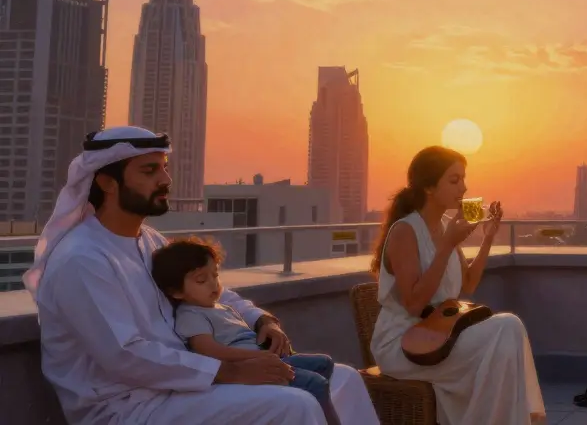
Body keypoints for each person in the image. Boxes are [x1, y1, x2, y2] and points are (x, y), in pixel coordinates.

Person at [24, 126, 378, 425]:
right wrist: (230, 372)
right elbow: (125, 357)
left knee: (341, 378)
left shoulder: (149, 241)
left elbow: (207, 289)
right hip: (127, 406)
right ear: (107, 182)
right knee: (293, 403)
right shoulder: (82, 258)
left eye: (163, 168)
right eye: (149, 172)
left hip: (185, 383)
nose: (166, 180)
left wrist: (260, 320)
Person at [369, 145, 546, 425]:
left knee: (508, 328)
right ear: (429, 186)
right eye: (454, 180)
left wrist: (487, 237)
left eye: (464, 179)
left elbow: (470, 283)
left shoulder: (445, 224)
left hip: (440, 335)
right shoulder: (405, 231)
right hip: (404, 342)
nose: (464, 188)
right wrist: (447, 245)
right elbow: (414, 304)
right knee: (506, 330)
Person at [152, 236, 341, 425]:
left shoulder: (221, 307)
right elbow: (208, 350)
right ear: (176, 292)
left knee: (324, 363)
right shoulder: (191, 315)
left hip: (263, 357)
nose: (213, 284)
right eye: (201, 280)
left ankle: (314, 408)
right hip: (250, 365)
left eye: (215, 275)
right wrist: (251, 358)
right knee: (316, 383)